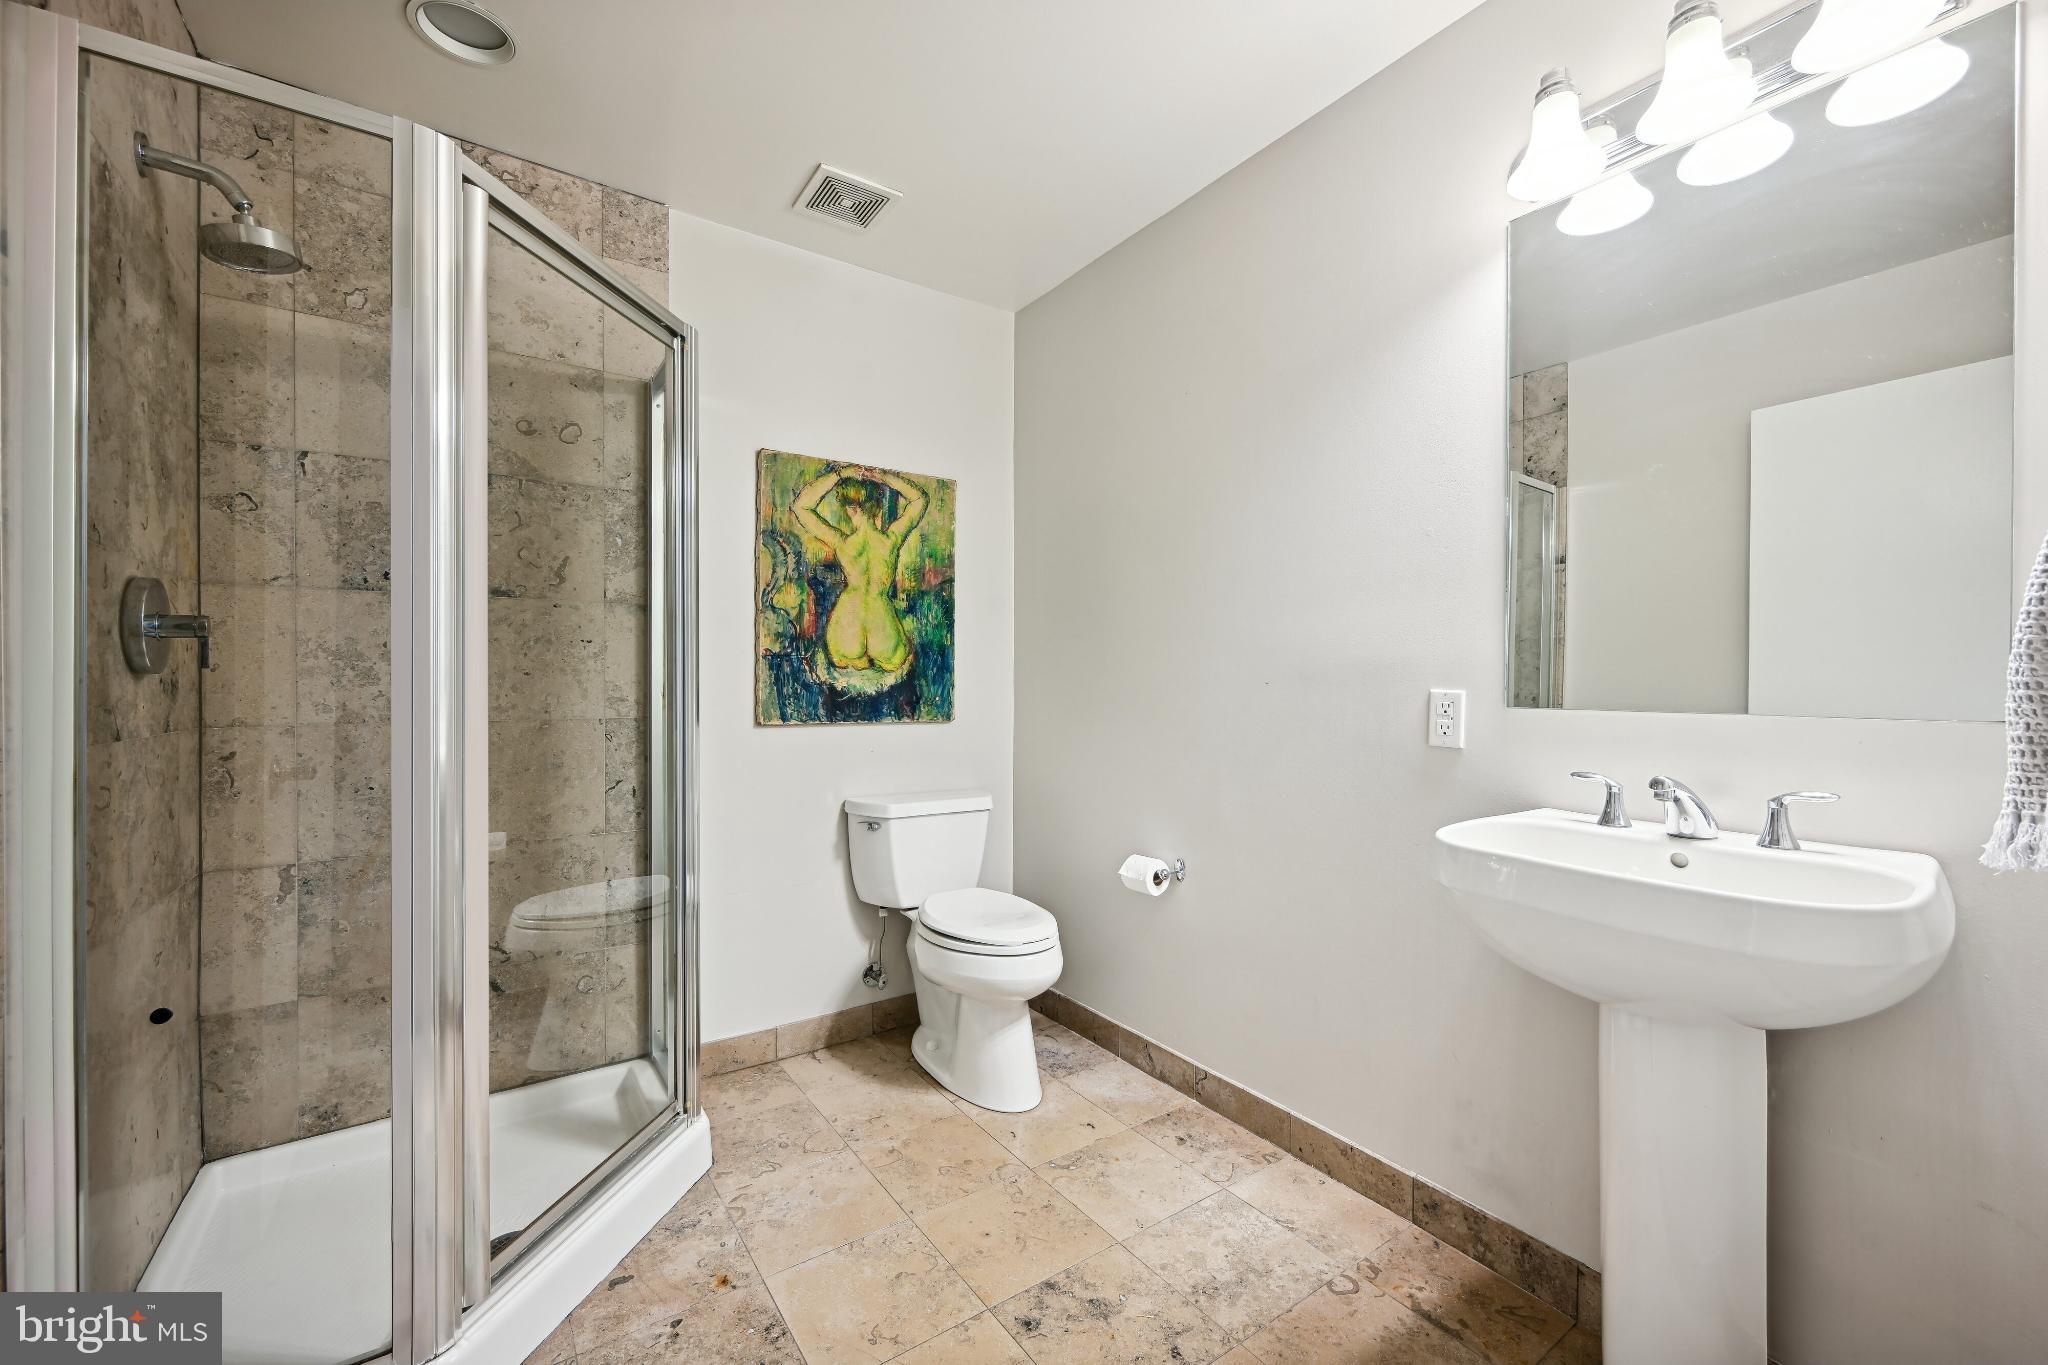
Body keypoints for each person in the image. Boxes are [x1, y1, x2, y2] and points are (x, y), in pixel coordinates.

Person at [791, 463, 928, 674]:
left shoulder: (842, 543)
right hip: (885, 633)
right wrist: (884, 476)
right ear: (878, 506)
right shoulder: (891, 540)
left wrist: (840, 474)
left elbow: (801, 506)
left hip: (847, 631)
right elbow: (920, 499)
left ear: (850, 507)